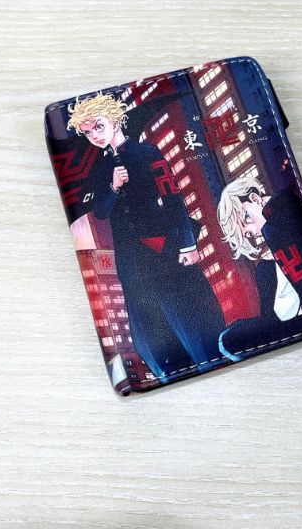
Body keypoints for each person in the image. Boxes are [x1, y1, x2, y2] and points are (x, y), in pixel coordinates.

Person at [67, 93, 227, 381]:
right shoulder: (101, 168)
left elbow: (172, 196)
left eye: (99, 127)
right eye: (88, 133)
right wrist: (113, 187)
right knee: (149, 329)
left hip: (164, 248)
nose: (95, 136)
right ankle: (169, 374)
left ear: (115, 121)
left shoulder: (146, 153)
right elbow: (101, 212)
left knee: (188, 316)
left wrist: (187, 244)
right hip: (130, 259)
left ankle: (211, 363)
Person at [216, 177, 302, 361]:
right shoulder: (266, 263)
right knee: (233, 337)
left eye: (247, 219)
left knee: (233, 339)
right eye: (249, 234)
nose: (255, 233)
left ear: (255, 199)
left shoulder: (284, 208)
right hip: (299, 324)